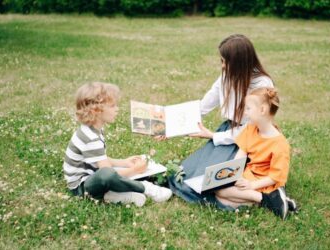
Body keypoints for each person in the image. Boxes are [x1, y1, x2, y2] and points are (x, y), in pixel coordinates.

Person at [167, 34, 274, 209]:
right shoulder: (227, 75)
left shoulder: (261, 84)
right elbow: (203, 106)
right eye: (222, 61)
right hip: (229, 132)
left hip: (252, 138)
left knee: (212, 181)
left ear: (239, 63)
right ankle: (246, 198)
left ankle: (257, 198)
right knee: (182, 174)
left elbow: (251, 128)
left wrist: (213, 135)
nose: (222, 66)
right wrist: (169, 126)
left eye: (225, 62)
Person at [63, 82, 172, 207]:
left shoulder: (94, 129)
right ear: (96, 110)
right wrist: (134, 170)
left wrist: (124, 162)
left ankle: (112, 195)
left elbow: (98, 160)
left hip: (92, 176)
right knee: (108, 174)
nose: (117, 109)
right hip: (81, 188)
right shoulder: (90, 137)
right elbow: (106, 172)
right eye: (113, 106)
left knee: (111, 172)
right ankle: (145, 188)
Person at [215, 87, 292, 219]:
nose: (245, 113)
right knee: (221, 197)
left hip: (265, 183)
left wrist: (252, 185)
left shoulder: (280, 144)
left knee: (221, 193)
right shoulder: (251, 128)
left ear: (262, 110)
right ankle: (269, 201)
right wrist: (233, 173)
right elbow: (242, 153)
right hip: (248, 176)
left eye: (248, 109)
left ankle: (267, 199)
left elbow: (275, 177)